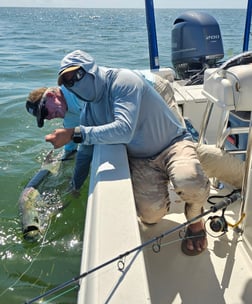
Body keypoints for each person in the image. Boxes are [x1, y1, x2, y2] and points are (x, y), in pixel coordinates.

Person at [44, 49, 211, 256]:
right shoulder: (88, 111)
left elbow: (124, 129)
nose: (75, 84)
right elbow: (85, 154)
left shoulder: (122, 81)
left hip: (172, 144)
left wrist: (73, 134)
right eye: (69, 82)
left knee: (190, 180)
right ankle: (171, 186)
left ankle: (196, 219)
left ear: (91, 69)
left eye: (77, 76)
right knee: (150, 217)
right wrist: (75, 186)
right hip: (142, 160)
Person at [26, 85, 83, 159]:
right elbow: (70, 149)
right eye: (44, 117)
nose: (49, 118)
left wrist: (72, 133)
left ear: (50, 95)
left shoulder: (77, 90)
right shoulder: (69, 117)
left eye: (45, 112)